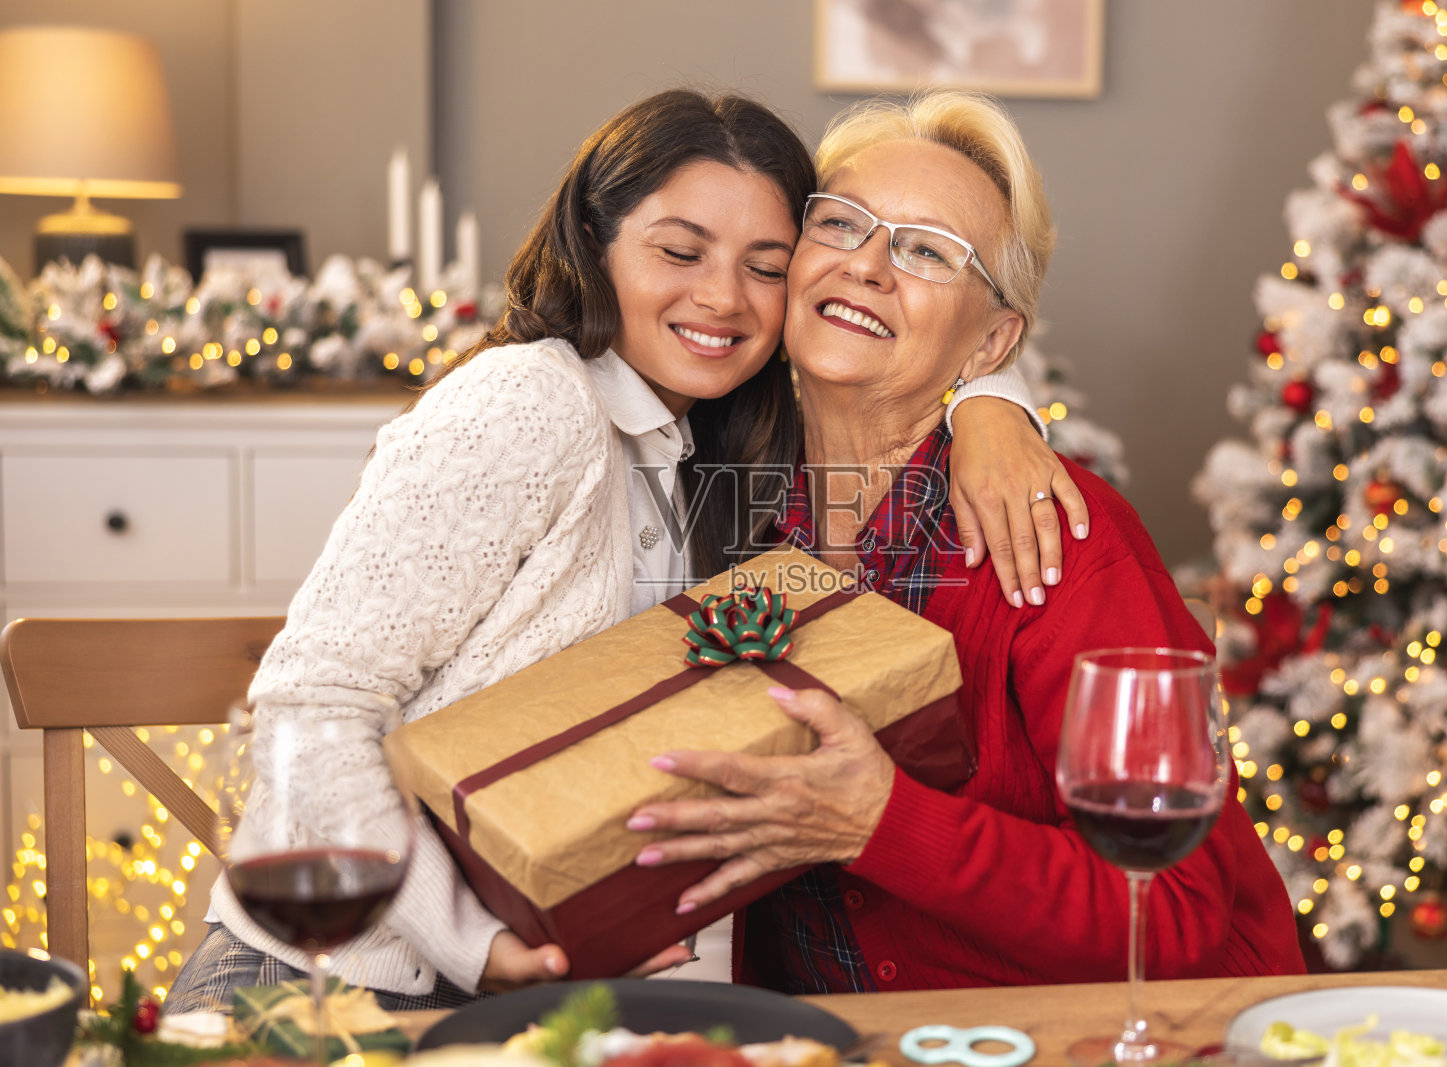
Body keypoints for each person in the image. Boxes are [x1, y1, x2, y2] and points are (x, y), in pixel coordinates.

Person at [165, 88, 1080, 1013]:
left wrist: (990, 403)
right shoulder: (532, 403)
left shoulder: (719, 451)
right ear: (594, 244)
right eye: (679, 252)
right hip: (324, 984)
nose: (721, 297)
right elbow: (312, 701)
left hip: (527, 1000)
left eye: (766, 267)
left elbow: (922, 327)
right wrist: (471, 943)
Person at [627, 90, 1307, 991]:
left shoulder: (1056, 534)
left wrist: (884, 821)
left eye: (927, 250)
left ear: (993, 341)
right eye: (841, 225)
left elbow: (1173, 912)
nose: (868, 265)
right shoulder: (723, 504)